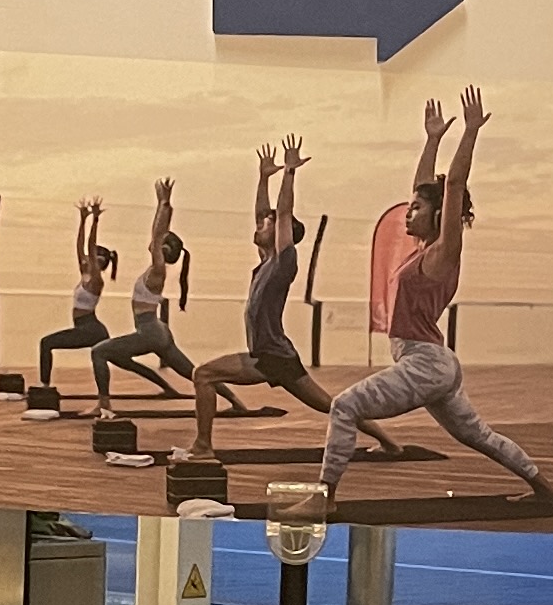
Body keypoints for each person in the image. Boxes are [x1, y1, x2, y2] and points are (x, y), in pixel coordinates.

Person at [314, 87, 546, 509]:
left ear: (439, 215)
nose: (408, 212)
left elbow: (453, 185)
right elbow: (423, 186)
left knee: (344, 406)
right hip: (432, 363)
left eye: (417, 209)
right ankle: (546, 490)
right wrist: (433, 139)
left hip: (424, 363)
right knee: (479, 436)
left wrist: (470, 132)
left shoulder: (443, 253)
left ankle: (325, 497)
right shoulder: (422, 251)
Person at [187, 136, 392, 461]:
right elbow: (265, 212)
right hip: (275, 355)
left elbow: (283, 213)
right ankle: (389, 442)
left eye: (268, 224)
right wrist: (263, 177)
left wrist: (289, 173)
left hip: (271, 356)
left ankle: (203, 446)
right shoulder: (266, 261)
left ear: (282, 233)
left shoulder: (284, 261)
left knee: (204, 374)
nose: (261, 225)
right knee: (330, 405)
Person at [93, 177, 194, 401]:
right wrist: (165, 206)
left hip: (149, 332)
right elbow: (159, 235)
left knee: (99, 352)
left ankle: (104, 405)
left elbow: (157, 235)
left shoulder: (158, 269)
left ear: (163, 249)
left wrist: (163, 203)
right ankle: (236, 402)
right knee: (193, 373)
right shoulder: (155, 269)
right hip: (156, 331)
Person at [33, 201, 113, 390]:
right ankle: (45, 384)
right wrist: (83, 220)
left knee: (46, 343)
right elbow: (80, 247)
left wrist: (95, 220)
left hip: (91, 329)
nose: (87, 259)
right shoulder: (85, 275)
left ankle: (44, 385)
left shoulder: (96, 280)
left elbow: (90, 248)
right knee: (47, 343)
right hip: (86, 327)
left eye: (92, 259)